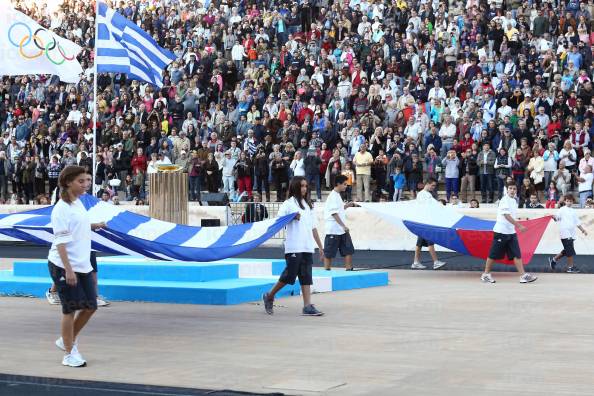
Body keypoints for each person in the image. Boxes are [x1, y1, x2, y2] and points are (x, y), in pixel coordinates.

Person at [47, 166, 106, 367]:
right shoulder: (61, 209)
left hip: (82, 264)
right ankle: (69, 354)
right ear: (68, 182)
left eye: (87, 181)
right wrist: (68, 270)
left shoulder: (78, 203)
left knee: (90, 306)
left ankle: (66, 340)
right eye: (81, 181)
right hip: (64, 265)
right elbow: (60, 242)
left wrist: (93, 225)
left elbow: (77, 226)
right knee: (70, 309)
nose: (86, 185)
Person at [262, 177, 325, 316]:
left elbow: (313, 227)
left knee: (306, 276)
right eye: (302, 186)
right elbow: (279, 221)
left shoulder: (308, 205)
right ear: (296, 187)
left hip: (307, 246)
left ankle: (307, 306)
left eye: (306, 186)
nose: (304, 189)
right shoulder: (288, 204)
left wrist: (320, 247)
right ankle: (270, 295)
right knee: (290, 275)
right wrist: (291, 217)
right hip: (294, 246)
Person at [480, 182, 538, 284]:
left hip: (511, 232)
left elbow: (511, 216)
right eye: (510, 188)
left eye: (514, 189)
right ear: (507, 190)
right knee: (493, 254)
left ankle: (523, 276)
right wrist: (519, 225)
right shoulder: (504, 200)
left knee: (517, 254)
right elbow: (506, 215)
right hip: (501, 232)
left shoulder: (514, 201)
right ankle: (486, 275)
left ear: (516, 190)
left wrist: (520, 220)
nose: (512, 190)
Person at [411, 178, 447, 270]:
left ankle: (416, 262)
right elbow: (430, 207)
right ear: (427, 184)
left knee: (419, 243)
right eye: (433, 185)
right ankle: (435, 262)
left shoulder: (423, 194)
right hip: (425, 222)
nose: (434, 187)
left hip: (423, 221)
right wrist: (440, 205)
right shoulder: (424, 194)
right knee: (430, 241)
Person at [323, 175, 356, 271]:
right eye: (345, 184)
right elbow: (334, 213)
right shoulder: (332, 196)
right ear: (338, 184)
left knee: (348, 250)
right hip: (333, 230)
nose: (346, 186)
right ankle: (327, 270)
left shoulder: (337, 195)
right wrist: (343, 226)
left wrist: (347, 205)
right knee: (329, 252)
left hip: (341, 230)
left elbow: (339, 209)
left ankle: (349, 269)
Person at [549, 194, 588, 273]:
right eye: (567, 201)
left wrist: (583, 230)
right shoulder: (562, 209)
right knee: (569, 250)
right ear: (564, 201)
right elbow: (557, 217)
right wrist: (554, 217)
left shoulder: (573, 211)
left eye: (570, 201)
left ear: (573, 202)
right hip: (564, 232)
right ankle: (570, 267)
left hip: (571, 233)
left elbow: (577, 222)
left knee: (567, 250)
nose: (569, 202)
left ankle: (554, 260)